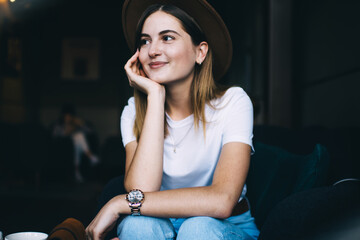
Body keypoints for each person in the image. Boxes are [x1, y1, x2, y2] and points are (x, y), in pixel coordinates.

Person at [86, 0, 259, 239]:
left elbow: (223, 201)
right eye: (145, 41)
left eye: (167, 37)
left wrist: (118, 203)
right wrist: (156, 96)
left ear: (200, 52)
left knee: (198, 229)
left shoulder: (233, 102)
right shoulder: (133, 111)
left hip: (222, 226)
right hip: (161, 224)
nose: (153, 50)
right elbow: (142, 190)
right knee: (138, 226)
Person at [52, 103, 99, 182]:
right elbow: (55, 136)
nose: (68, 118)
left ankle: (77, 172)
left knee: (79, 137)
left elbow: (90, 131)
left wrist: (81, 123)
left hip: (75, 147)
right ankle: (91, 157)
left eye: (70, 116)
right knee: (78, 137)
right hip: (63, 146)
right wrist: (66, 131)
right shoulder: (58, 125)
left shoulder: (76, 124)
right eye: (66, 116)